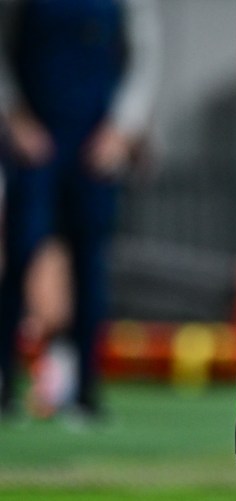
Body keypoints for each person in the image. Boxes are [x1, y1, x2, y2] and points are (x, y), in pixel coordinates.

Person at [0, 0, 162, 418]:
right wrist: (15, 119)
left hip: (95, 141)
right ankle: (5, 379)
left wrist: (122, 129)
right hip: (34, 139)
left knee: (91, 264)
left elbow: (145, 56)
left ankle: (84, 388)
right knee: (20, 252)